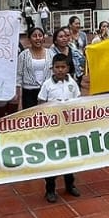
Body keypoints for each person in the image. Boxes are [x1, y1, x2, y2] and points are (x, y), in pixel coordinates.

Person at [38, 53, 81, 202]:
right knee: (53, 158)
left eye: (63, 67)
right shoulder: (47, 85)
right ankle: (50, 189)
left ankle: (70, 185)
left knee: (69, 157)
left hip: (69, 127)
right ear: (52, 68)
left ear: (68, 68)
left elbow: (78, 101)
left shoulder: (72, 83)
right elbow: (41, 103)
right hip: (53, 128)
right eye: (57, 67)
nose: (60, 70)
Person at [15, 27, 51, 108]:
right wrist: (17, 91)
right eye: (34, 36)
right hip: (29, 92)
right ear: (29, 39)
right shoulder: (23, 55)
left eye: (40, 35)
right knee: (31, 117)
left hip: (47, 91)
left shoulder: (51, 54)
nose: (38, 38)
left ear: (43, 38)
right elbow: (19, 74)